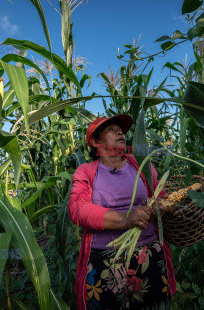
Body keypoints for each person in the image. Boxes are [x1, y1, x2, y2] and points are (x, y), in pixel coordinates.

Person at [68, 114, 177, 310]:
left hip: (148, 255)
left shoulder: (141, 164)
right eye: (111, 129)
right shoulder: (86, 171)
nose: (120, 132)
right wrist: (126, 219)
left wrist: (162, 205)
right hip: (105, 261)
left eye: (121, 130)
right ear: (94, 141)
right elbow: (77, 208)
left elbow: (160, 194)